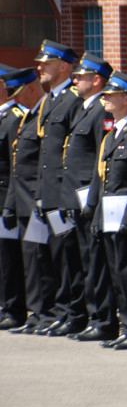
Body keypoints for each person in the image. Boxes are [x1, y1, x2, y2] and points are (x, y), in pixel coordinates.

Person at [90, 73, 127, 349]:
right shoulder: (113, 134)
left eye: (111, 95)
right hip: (109, 213)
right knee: (115, 273)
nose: (105, 98)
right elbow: (103, 178)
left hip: (125, 213)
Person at [60, 54, 114, 338]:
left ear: (96, 80)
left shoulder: (100, 112)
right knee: (80, 261)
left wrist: (91, 199)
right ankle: (88, 315)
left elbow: (101, 160)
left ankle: (102, 320)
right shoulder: (84, 109)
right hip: (75, 197)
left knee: (95, 262)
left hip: (88, 198)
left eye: (80, 76)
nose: (75, 80)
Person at [34, 40, 86, 335]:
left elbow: (74, 153)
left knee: (70, 256)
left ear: (64, 66)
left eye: (47, 62)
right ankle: (62, 310)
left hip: (65, 192)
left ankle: (74, 313)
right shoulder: (50, 100)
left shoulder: (72, 99)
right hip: (49, 192)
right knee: (56, 255)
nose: (40, 67)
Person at [3, 67, 56, 333]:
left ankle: (44, 314)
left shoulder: (42, 114)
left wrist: (40, 198)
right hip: (23, 200)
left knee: (40, 261)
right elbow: (17, 165)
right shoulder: (28, 117)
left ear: (31, 89)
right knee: (30, 261)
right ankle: (36, 314)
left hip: (36, 199)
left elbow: (43, 163)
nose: (15, 99)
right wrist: (11, 204)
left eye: (18, 93)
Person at [0, 66, 27, 330]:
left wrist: (10, 203)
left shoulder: (14, 117)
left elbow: (15, 164)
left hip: (5, 197)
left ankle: (13, 308)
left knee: (9, 258)